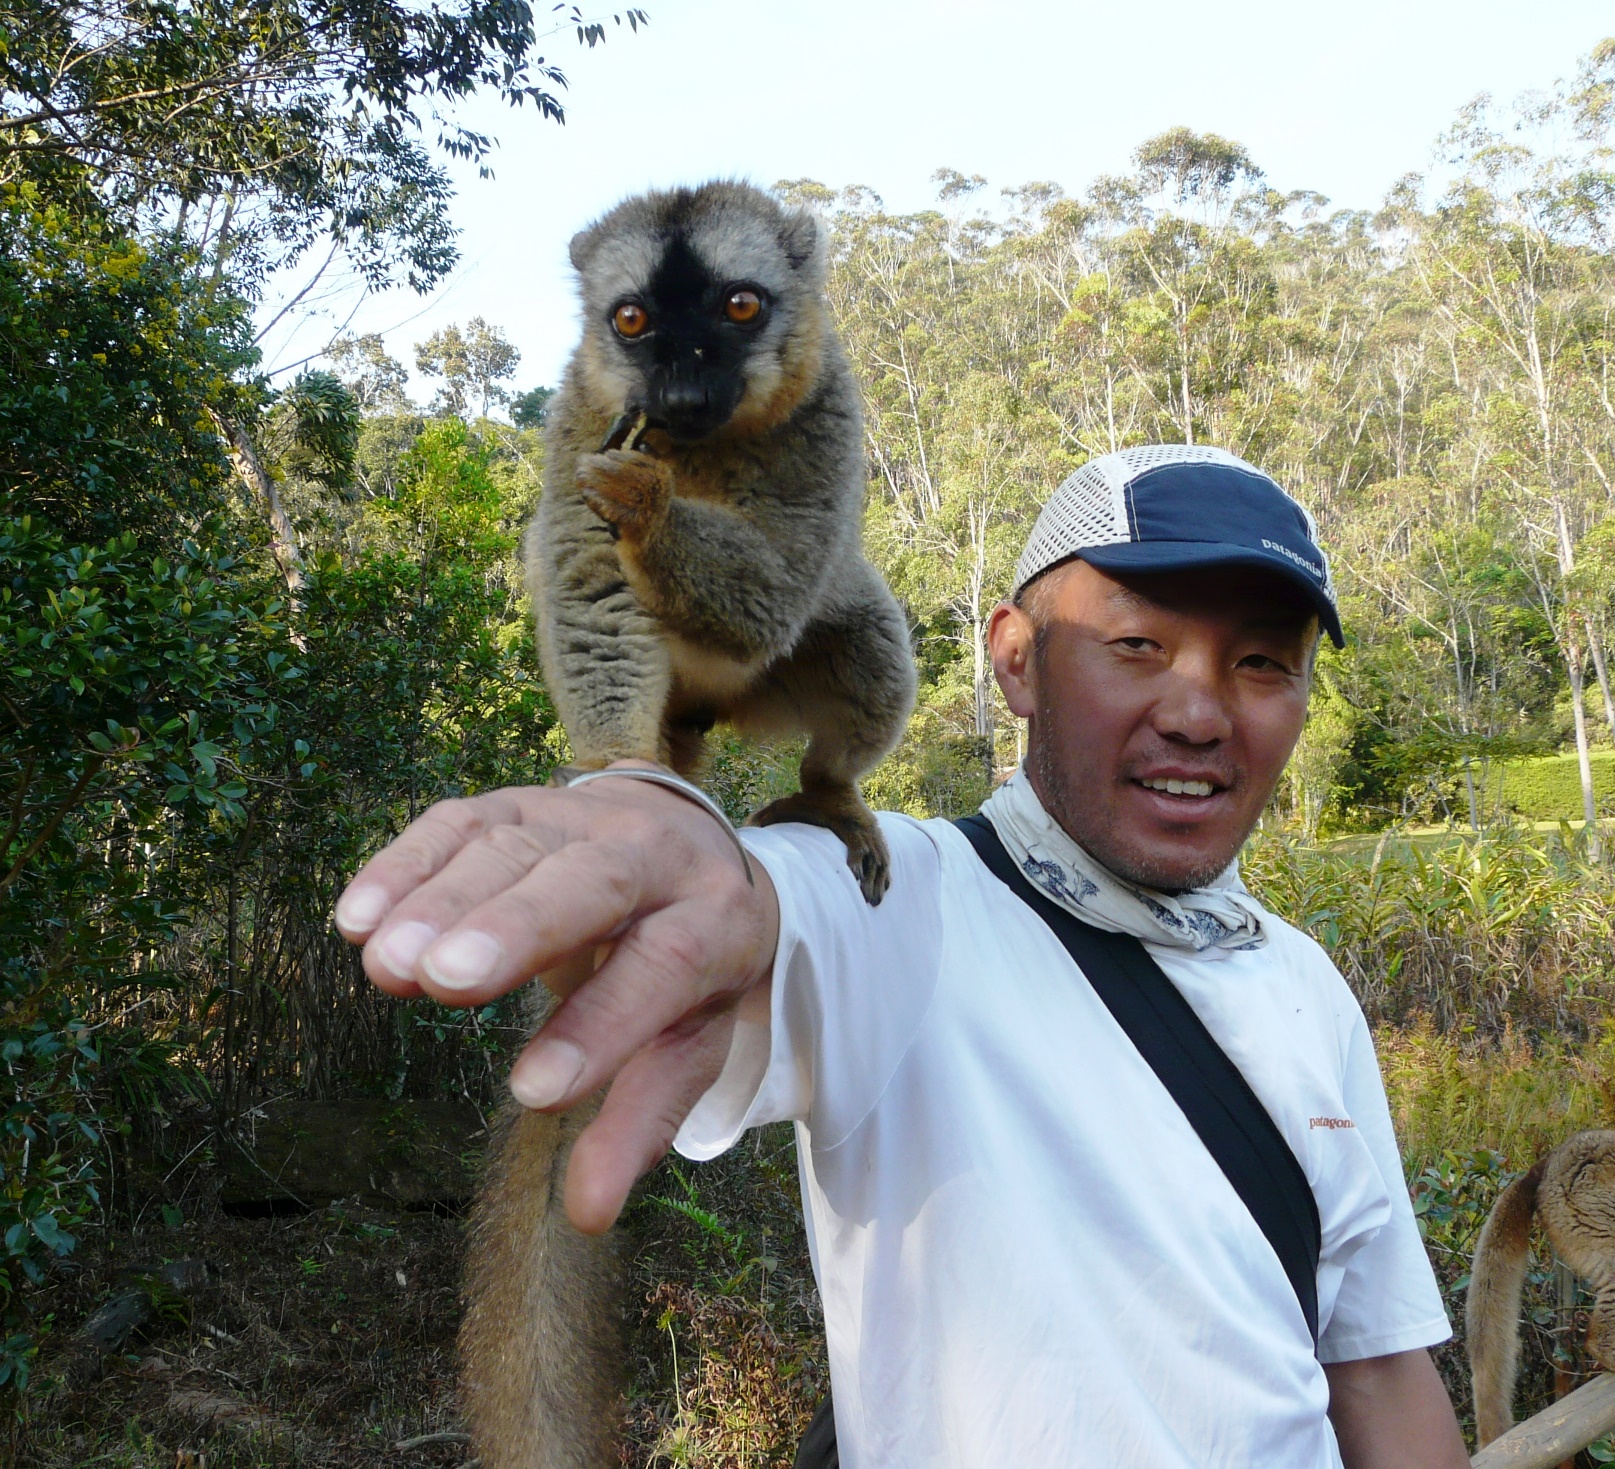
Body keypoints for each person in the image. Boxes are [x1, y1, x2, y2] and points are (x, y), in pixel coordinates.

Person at [334, 445, 1473, 1468]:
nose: (1197, 709)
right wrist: (677, 835)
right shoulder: (908, 903)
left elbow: (1370, 1363)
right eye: (1135, 644)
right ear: (1015, 660)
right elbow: (775, 906)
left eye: (1261, 664)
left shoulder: (1301, 983)